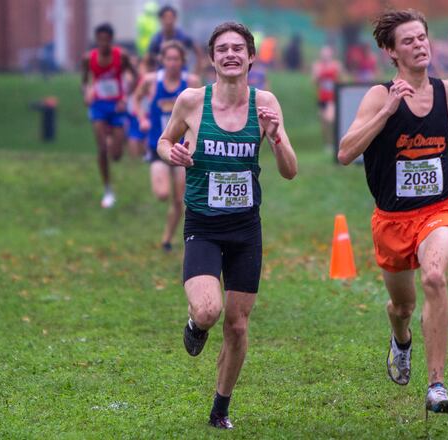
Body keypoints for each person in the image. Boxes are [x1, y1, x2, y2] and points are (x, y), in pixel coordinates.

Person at [338, 9, 448, 415]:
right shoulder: (378, 96)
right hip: (392, 220)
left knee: (435, 277)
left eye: (422, 37)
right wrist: (386, 113)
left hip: (439, 210)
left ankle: (436, 385)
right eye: (409, 41)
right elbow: (346, 151)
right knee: (401, 306)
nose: (420, 45)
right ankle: (401, 339)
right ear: (391, 52)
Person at [157, 22, 297, 429]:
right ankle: (194, 323)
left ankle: (220, 407)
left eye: (239, 48)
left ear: (252, 57)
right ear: (212, 58)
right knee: (208, 310)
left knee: (237, 325)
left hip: (245, 229)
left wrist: (276, 139)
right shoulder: (190, 101)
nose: (231, 54)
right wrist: (174, 156)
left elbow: (289, 171)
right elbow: (164, 142)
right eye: (223, 49)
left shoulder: (265, 102)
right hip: (203, 223)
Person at [133, 41, 201, 252]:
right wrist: (142, 118)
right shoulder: (152, 82)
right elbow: (135, 100)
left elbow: (201, 109)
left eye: (176, 59)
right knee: (162, 193)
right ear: (161, 60)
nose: (172, 63)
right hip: (157, 147)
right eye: (168, 59)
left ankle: (167, 239)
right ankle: (167, 235)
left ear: (183, 61)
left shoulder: (191, 81)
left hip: (183, 149)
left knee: (179, 199)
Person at [81, 23, 137, 208]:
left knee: (117, 155)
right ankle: (107, 189)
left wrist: (126, 97)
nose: (103, 43)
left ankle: (114, 143)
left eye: (107, 39)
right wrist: (87, 93)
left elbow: (135, 76)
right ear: (96, 40)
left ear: (111, 40)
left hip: (118, 106)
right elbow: (84, 81)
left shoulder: (121, 56)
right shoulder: (89, 58)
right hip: (99, 106)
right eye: (100, 39)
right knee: (102, 149)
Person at [148, 5, 204, 72]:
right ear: (160, 19)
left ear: (175, 18)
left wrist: (197, 71)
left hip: (182, 76)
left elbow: (197, 50)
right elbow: (148, 59)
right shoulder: (156, 40)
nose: (168, 21)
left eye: (171, 17)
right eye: (165, 17)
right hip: (162, 77)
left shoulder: (183, 37)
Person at [312, 45, 342, 150]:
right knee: (324, 123)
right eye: (324, 54)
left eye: (327, 54)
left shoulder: (336, 65)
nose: (325, 56)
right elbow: (314, 81)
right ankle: (328, 144)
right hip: (322, 97)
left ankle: (336, 141)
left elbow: (340, 79)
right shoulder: (317, 66)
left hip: (332, 97)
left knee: (330, 119)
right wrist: (319, 74)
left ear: (331, 54)